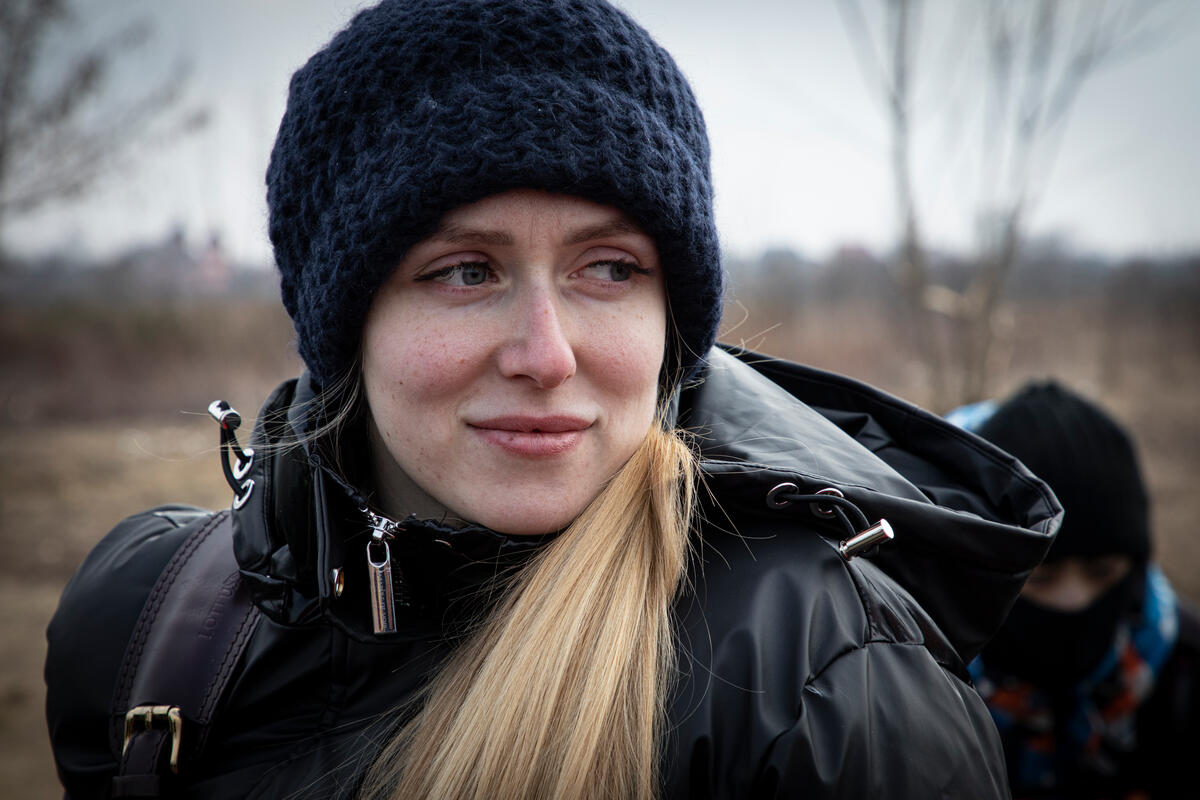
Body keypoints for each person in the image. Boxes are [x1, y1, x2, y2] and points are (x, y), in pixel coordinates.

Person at [44, 1, 1061, 797]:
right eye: (465, 271)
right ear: (344, 319)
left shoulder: (819, 687)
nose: (546, 351)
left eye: (610, 269)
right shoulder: (149, 628)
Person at [959, 381, 1200, 799]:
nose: (1075, 600)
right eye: (1041, 577)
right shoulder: (924, 686)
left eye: (1103, 572)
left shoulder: (1184, 672)